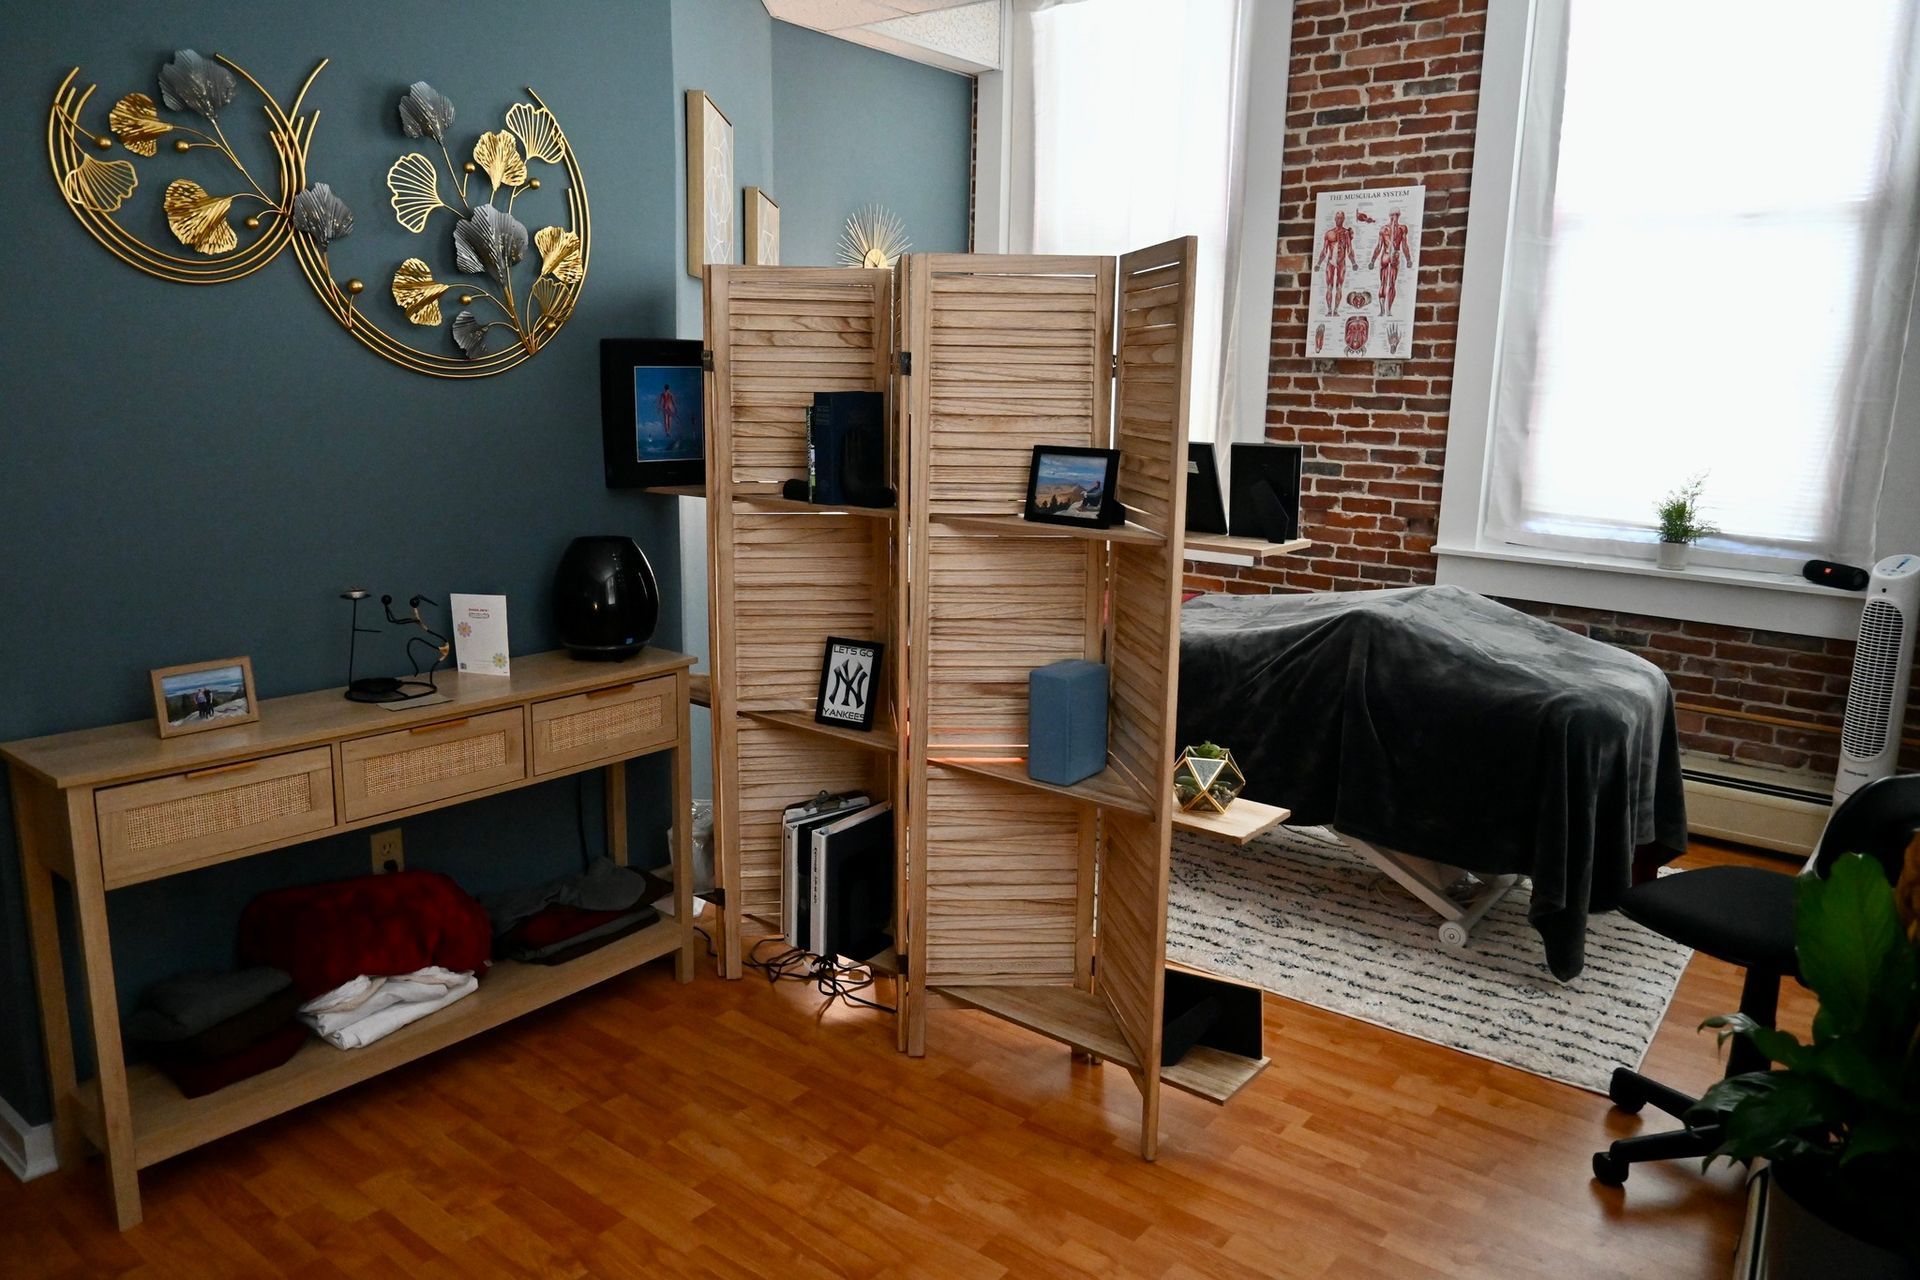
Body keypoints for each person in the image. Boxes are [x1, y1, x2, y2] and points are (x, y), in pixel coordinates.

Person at [1369, 210, 1414, 316]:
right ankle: (1384, 310)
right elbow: (1380, 246)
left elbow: (1404, 246)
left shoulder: (1398, 229)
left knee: (1389, 283)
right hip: (1390, 256)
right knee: (1386, 283)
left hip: (1392, 256)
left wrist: (1408, 259)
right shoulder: (1395, 229)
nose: (1395, 217)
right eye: (1394, 215)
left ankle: (1387, 310)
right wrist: (1372, 260)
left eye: (1396, 215)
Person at [1315, 210, 1358, 316]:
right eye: (1337, 218)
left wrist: (1353, 263)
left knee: (1339, 287)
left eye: (1341, 218)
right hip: (1330, 262)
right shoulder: (1329, 233)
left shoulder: (1346, 233)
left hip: (1341, 263)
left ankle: (1336, 310)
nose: (1339, 220)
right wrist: (1318, 264)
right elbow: (1324, 251)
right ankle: (1329, 310)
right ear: (1335, 219)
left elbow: (1349, 249)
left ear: (1343, 219)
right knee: (1329, 286)